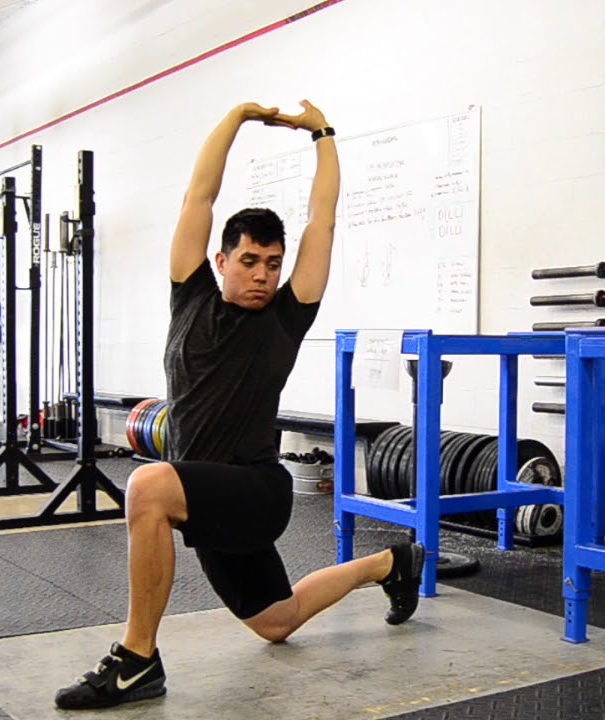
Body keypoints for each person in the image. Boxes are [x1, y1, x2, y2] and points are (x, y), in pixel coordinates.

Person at [55, 101, 425, 711]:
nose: (262, 275)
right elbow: (198, 197)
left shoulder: (285, 317)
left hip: (254, 491)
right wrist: (239, 116)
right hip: (207, 495)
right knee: (277, 621)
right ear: (221, 260)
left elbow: (323, 219)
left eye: (273, 264)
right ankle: (391, 563)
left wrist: (322, 134)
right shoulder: (189, 293)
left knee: (147, 486)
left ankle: (138, 659)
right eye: (249, 261)